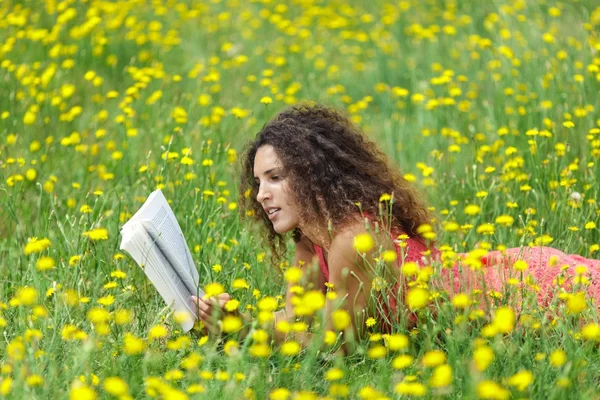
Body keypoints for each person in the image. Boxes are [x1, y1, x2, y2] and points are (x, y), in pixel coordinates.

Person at [191, 103, 600, 346]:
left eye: (276, 178)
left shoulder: (356, 240)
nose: (261, 194)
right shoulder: (309, 240)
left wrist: (244, 331)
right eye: (258, 181)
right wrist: (232, 317)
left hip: (534, 296)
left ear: (313, 175)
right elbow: (296, 317)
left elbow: (337, 343)